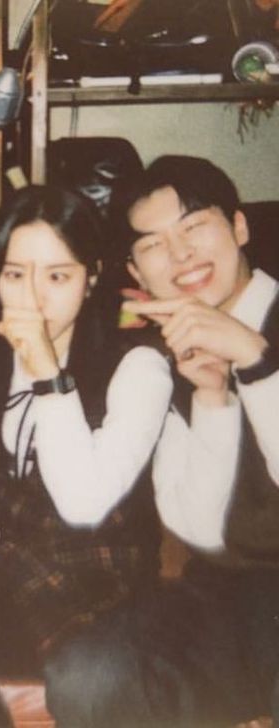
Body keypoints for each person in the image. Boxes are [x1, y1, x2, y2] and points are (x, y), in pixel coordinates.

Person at [0, 185, 173, 727]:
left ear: (92, 276)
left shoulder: (139, 367)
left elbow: (84, 504)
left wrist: (50, 373)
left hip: (103, 571)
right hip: (10, 560)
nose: (32, 298)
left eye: (58, 276)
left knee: (88, 672)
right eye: (14, 275)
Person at [116, 155, 279, 724]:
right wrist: (211, 401)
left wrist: (257, 362)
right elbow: (197, 530)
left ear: (238, 227)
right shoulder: (162, 356)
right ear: (137, 276)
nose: (181, 256)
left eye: (193, 227)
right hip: (226, 596)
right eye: (154, 245)